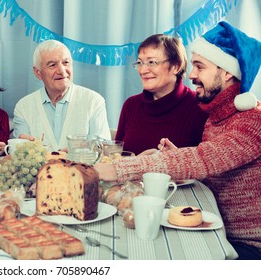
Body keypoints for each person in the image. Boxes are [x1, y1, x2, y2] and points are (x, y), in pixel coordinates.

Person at [95, 21, 261, 259]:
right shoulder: (216, 118)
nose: (191, 75)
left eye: (200, 67)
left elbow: (203, 159)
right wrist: (175, 158)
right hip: (212, 228)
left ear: (226, 72)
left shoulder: (252, 121)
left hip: (245, 247)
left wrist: (114, 169)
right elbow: (209, 164)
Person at [115, 34, 208, 155]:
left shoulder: (201, 108)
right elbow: (116, 157)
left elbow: (208, 168)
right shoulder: (130, 105)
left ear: (176, 66)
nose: (143, 70)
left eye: (151, 62)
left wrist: (178, 159)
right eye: (139, 63)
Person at [13, 39, 111, 150]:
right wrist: (21, 146)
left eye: (66, 63)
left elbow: (103, 149)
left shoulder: (94, 101)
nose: (62, 70)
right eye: (52, 65)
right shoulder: (23, 107)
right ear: (38, 73)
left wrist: (82, 148)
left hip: (82, 167)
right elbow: (20, 154)